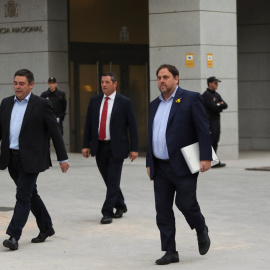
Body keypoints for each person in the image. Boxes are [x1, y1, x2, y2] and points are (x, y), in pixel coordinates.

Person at [146, 64, 212, 265]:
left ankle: (201, 228)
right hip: (160, 166)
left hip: (183, 164)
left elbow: (203, 129)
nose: (162, 81)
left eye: (166, 77)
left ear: (176, 79)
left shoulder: (191, 99)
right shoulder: (154, 105)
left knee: (186, 204)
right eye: (159, 77)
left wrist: (206, 157)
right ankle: (170, 251)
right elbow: (151, 136)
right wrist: (149, 161)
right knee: (163, 209)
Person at [0, 69, 69, 251]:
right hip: (11, 158)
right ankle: (46, 227)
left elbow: (55, 132)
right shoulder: (6, 103)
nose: (18, 87)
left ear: (31, 84)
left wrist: (63, 157)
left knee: (22, 196)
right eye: (15, 83)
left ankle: (14, 235)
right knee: (31, 194)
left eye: (22, 83)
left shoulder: (41, 104)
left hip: (31, 160)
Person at [82, 72, 139, 225]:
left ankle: (107, 212)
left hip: (117, 147)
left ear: (115, 84)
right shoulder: (94, 100)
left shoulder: (124, 102)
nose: (104, 85)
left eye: (107, 82)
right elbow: (89, 124)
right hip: (99, 146)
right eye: (102, 82)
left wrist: (134, 148)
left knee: (113, 180)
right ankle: (121, 205)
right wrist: (85, 144)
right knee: (109, 180)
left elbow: (132, 126)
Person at [202, 76, 228, 168]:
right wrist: (218, 105)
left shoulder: (217, 95)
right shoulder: (206, 95)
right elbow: (214, 107)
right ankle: (210, 160)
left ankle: (214, 160)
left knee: (216, 140)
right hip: (209, 121)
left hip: (216, 120)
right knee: (211, 140)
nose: (217, 85)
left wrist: (219, 105)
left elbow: (225, 105)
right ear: (210, 83)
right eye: (215, 83)